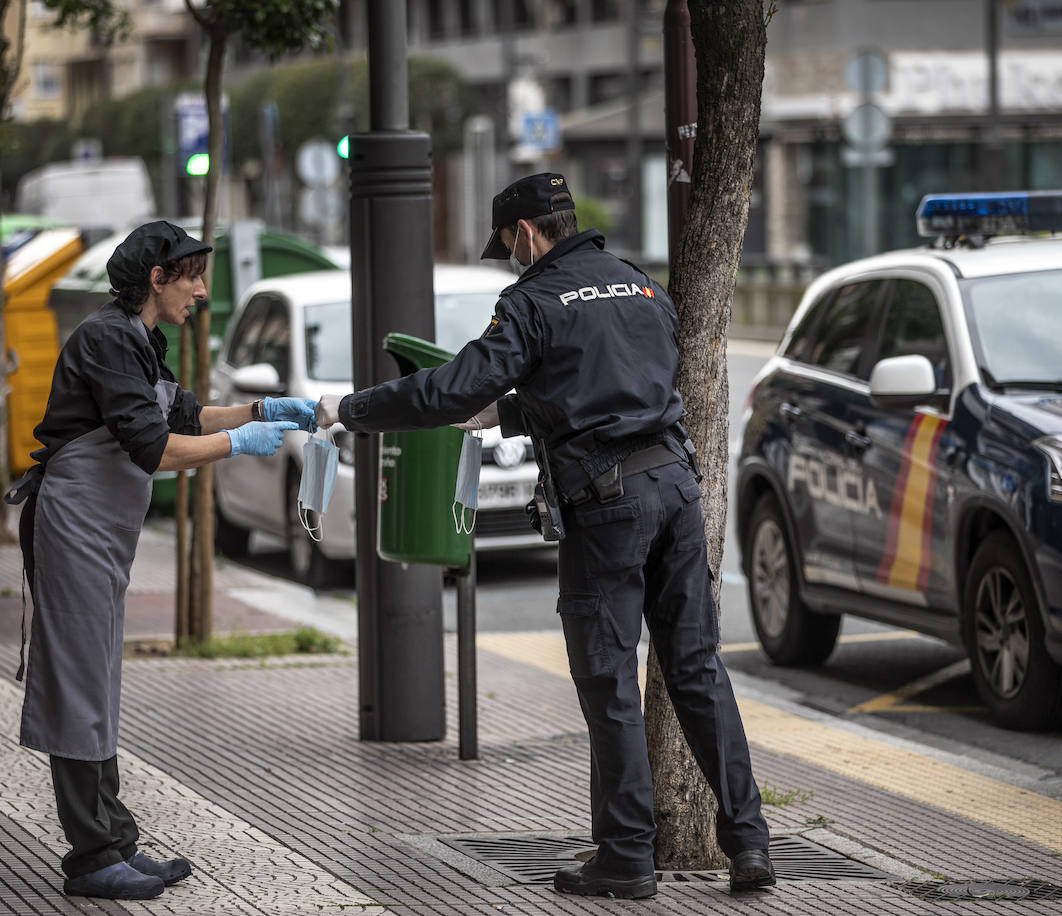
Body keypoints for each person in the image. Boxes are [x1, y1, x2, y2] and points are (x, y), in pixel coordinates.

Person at [322, 174, 775, 898]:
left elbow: (448, 389)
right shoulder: (638, 286)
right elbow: (611, 384)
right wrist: (507, 416)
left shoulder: (530, 302)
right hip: (677, 488)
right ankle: (750, 844)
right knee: (696, 669)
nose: (510, 258)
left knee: (610, 683)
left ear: (525, 232)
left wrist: (351, 407)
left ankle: (627, 858)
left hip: (609, 503)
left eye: (506, 245)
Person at [4, 221, 316, 901]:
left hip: (101, 532)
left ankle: (115, 838)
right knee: (79, 685)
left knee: (98, 681)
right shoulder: (107, 337)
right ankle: (90, 857)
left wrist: (261, 411)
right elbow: (157, 448)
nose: (202, 292)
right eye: (194, 278)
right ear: (158, 278)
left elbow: (185, 415)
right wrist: (241, 446)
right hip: (75, 525)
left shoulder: (138, 339)